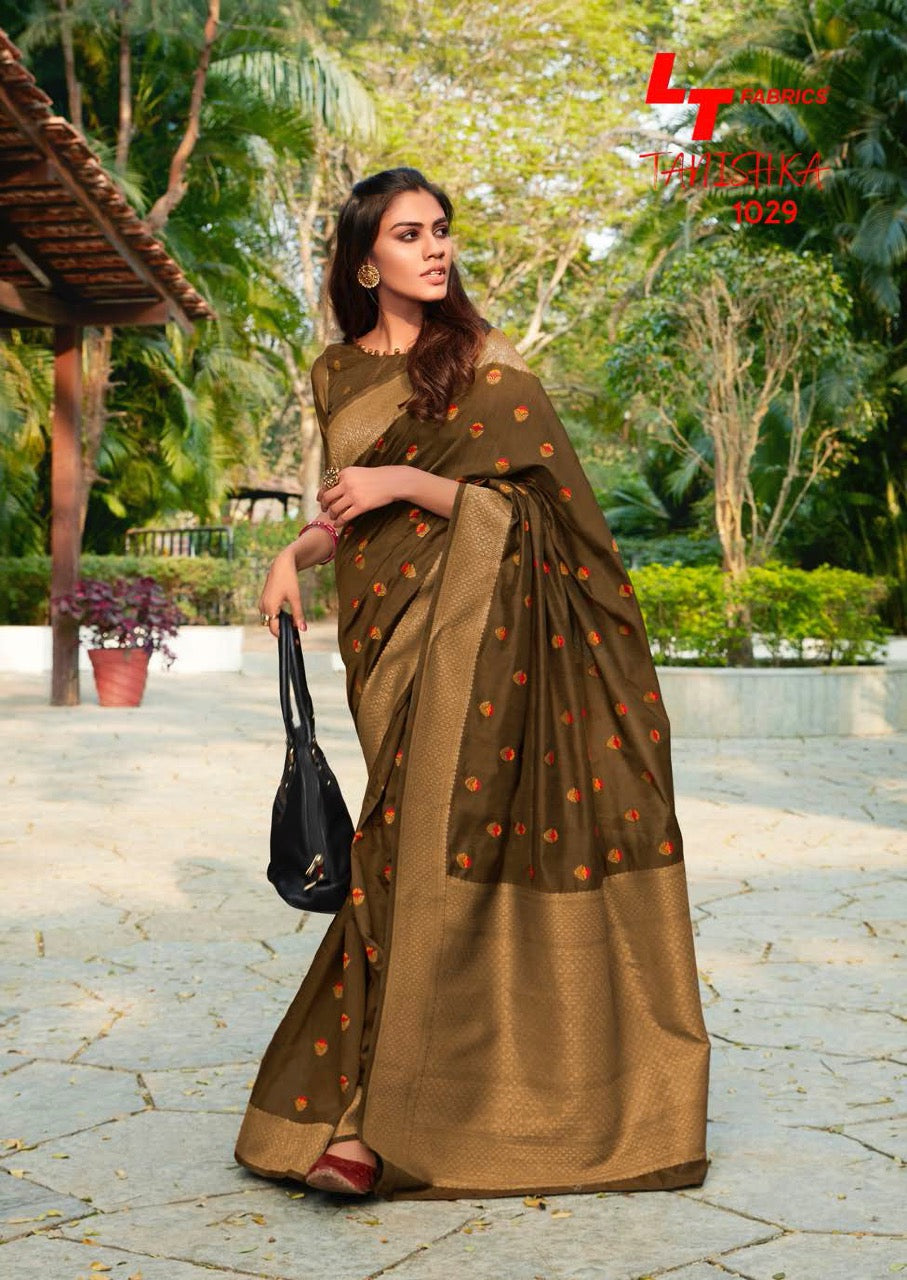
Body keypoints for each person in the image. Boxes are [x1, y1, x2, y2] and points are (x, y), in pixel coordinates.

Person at [234, 166, 710, 1201]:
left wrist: (408, 480)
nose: (435, 247)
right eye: (409, 233)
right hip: (385, 643)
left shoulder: (489, 366)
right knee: (400, 854)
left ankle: (363, 1125)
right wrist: (291, 556)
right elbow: (343, 509)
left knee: (402, 856)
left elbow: (552, 516)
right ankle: (390, 1103)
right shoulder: (335, 372)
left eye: (441, 229)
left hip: (479, 638)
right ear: (366, 260)